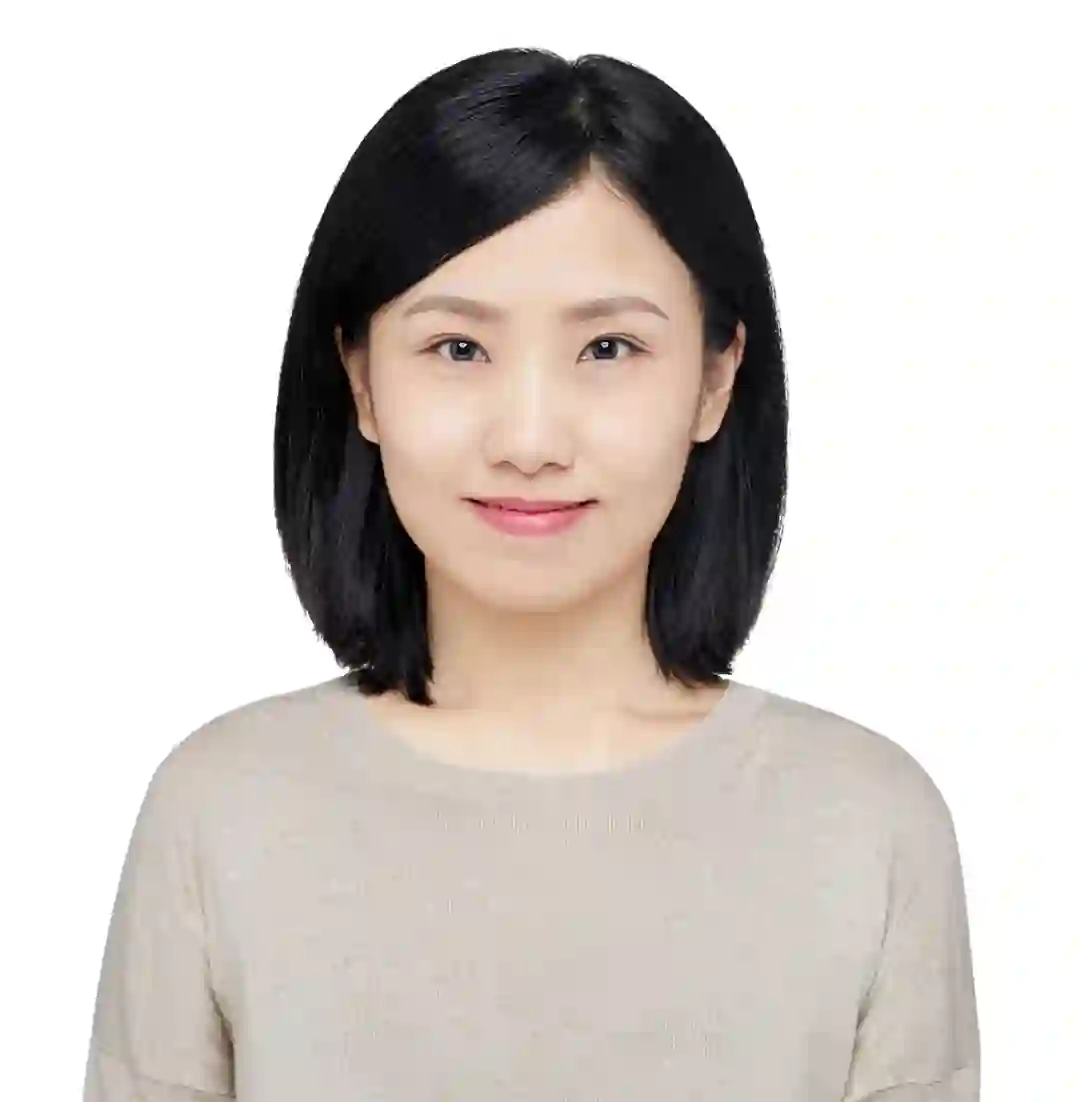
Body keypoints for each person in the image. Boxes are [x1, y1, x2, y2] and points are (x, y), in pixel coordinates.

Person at [82, 46, 980, 1100]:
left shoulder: (865, 826)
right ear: (361, 380)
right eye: (458, 349)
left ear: (715, 379)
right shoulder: (222, 811)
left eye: (609, 349)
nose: (530, 439)